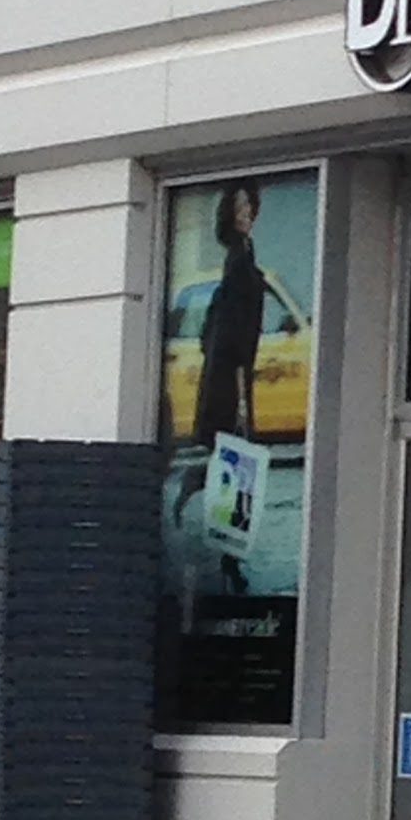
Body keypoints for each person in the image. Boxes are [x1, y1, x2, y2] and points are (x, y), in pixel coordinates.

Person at [172, 179, 265, 592]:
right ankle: (229, 558)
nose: (245, 214)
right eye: (239, 208)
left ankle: (228, 552)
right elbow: (232, 334)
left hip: (232, 378)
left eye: (248, 207)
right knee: (238, 467)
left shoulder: (244, 256)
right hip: (230, 383)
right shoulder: (237, 261)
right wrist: (243, 390)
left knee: (235, 465)